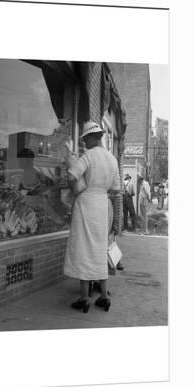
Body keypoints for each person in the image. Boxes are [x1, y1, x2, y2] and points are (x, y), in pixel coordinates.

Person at [63, 121, 120, 313]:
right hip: (102, 204)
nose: (85, 142)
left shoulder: (88, 156)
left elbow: (72, 175)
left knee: (84, 248)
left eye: (86, 138)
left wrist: (75, 187)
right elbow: (116, 188)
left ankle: (84, 298)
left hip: (86, 203)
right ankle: (103, 297)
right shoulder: (112, 159)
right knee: (98, 249)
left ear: (92, 137)